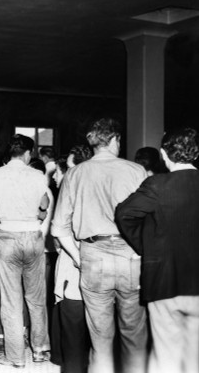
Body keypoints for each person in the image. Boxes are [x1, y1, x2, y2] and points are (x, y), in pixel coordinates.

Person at [51, 118, 148, 373]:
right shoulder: (135, 170)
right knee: (134, 336)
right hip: (130, 256)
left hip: (92, 256)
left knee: (100, 339)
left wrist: (78, 257)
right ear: (115, 140)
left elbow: (59, 228)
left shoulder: (75, 173)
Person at [116, 128, 199, 373]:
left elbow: (125, 213)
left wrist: (144, 246)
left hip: (164, 281)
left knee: (166, 354)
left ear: (163, 154)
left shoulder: (156, 185)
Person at [0, 135, 51, 368]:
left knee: (11, 300)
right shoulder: (38, 175)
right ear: (28, 154)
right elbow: (43, 206)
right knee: (36, 298)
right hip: (32, 237)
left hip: (8, 237)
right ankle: (40, 350)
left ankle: (15, 356)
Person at [51, 154, 91, 373]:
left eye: (66, 168)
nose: (62, 174)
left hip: (76, 268)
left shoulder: (74, 193)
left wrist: (76, 258)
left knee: (74, 319)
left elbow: (59, 232)